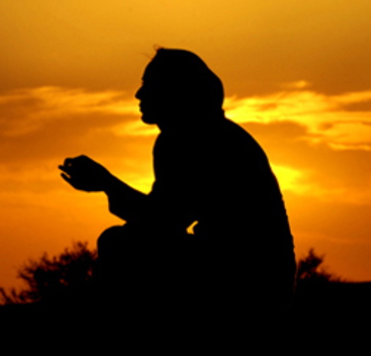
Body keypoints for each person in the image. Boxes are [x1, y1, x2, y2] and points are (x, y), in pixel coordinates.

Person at [59, 48, 295, 323]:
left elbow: (162, 221)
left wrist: (107, 183)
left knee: (121, 245)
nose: (138, 95)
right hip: (243, 272)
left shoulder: (201, 140)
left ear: (175, 92)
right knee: (121, 242)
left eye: (148, 85)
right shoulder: (192, 136)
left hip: (250, 282)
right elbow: (159, 217)